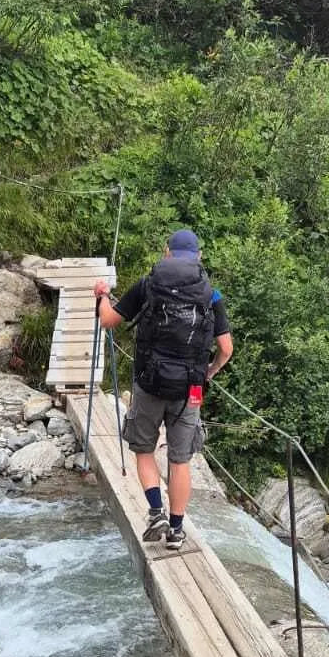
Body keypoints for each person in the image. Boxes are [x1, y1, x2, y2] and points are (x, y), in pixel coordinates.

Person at [93, 228, 232, 551]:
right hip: (191, 390)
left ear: (167, 252)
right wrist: (208, 373)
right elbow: (225, 348)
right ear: (198, 256)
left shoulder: (148, 284)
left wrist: (101, 295)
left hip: (149, 382)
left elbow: (108, 321)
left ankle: (156, 512)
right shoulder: (211, 294)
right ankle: (178, 530)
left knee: (144, 450)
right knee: (180, 460)